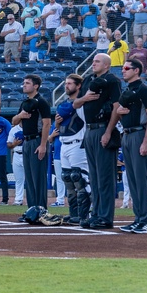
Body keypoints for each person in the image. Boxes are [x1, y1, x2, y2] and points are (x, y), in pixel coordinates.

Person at [73, 53, 122, 230]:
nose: (93, 64)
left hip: (103, 128)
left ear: (107, 65)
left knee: (105, 177)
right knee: (94, 177)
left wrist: (108, 131)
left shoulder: (112, 80)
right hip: (90, 130)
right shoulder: (88, 80)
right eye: (92, 61)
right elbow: (75, 104)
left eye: (97, 61)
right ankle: (96, 214)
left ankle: (105, 216)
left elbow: (117, 107)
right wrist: (85, 98)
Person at [115, 58, 147, 234]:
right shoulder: (128, 90)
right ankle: (137, 218)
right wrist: (118, 112)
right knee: (132, 180)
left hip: (139, 134)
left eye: (127, 68)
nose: (123, 70)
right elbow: (119, 110)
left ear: (136, 71)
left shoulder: (143, 89)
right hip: (127, 134)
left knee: (141, 180)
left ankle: (145, 221)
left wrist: (146, 141)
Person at [53, 76, 91, 226]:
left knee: (79, 178)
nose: (66, 86)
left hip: (78, 143)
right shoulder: (65, 103)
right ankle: (74, 214)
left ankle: (84, 214)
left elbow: (70, 110)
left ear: (79, 85)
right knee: (67, 178)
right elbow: (61, 114)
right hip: (64, 142)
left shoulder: (82, 103)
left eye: (70, 84)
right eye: (66, 83)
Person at [13, 74, 52, 211]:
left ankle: (41, 209)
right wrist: (20, 115)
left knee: (38, 178)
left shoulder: (41, 101)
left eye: (27, 83)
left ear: (36, 86)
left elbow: (47, 124)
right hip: (26, 141)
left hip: (37, 140)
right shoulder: (25, 103)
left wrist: (43, 145)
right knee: (29, 178)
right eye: (24, 82)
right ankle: (31, 210)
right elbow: (14, 122)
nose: (24, 85)